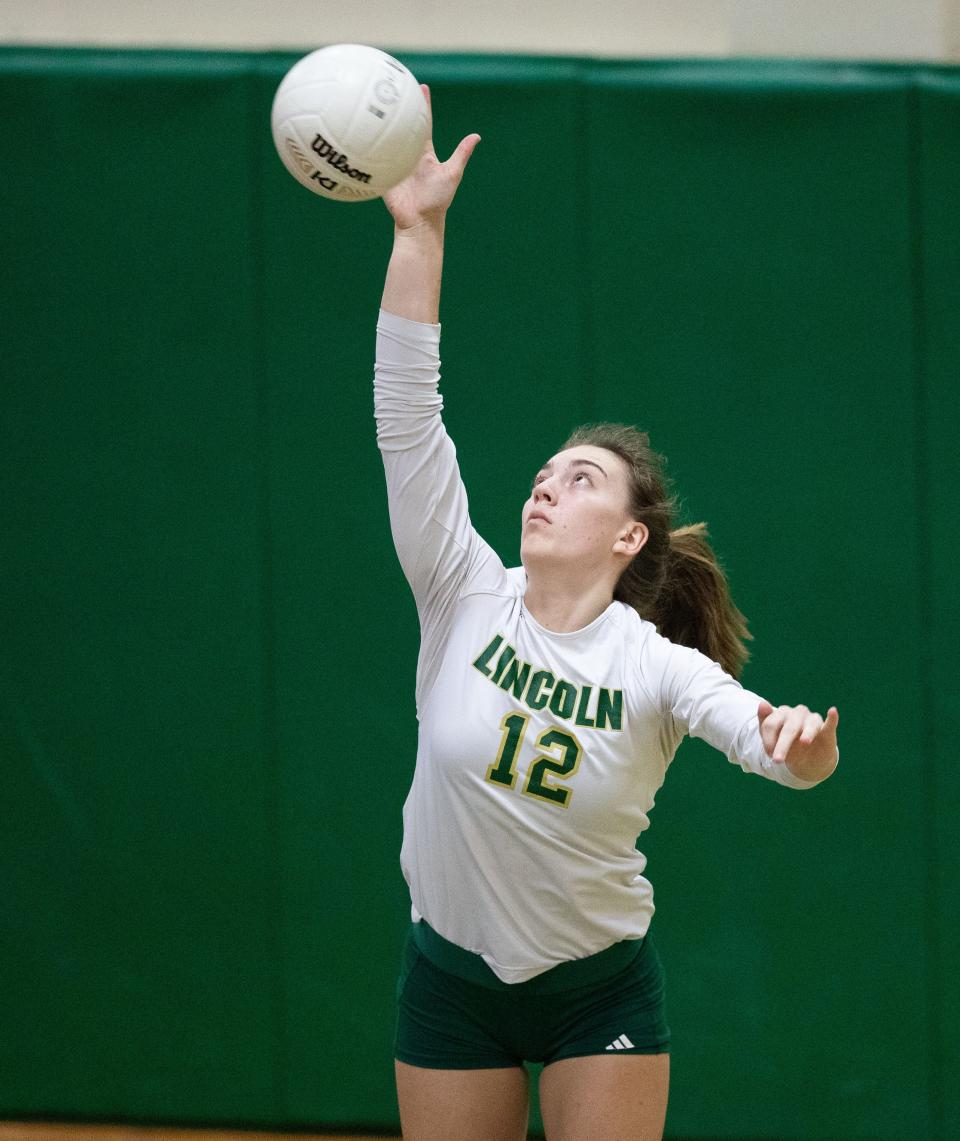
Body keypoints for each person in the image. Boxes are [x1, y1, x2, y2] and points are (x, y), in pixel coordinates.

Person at [374, 87, 839, 1141]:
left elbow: (765, 745)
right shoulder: (462, 591)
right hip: (450, 973)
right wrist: (419, 233)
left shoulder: (655, 666)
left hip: (598, 990)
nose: (545, 484)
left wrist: (801, 750)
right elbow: (408, 418)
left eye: (580, 479)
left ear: (631, 536)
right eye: (543, 472)